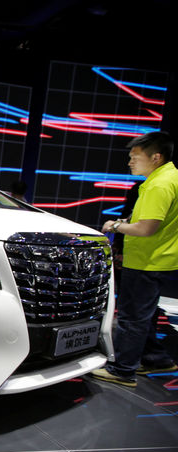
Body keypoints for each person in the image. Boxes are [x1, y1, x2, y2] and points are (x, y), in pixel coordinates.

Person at [91, 131, 178, 387]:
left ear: (156, 157)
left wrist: (115, 226)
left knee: (132, 318)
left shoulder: (158, 184)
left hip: (146, 260)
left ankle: (123, 370)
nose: (130, 162)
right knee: (144, 316)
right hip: (159, 259)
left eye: (135, 157)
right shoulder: (170, 176)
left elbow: (146, 228)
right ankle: (153, 359)